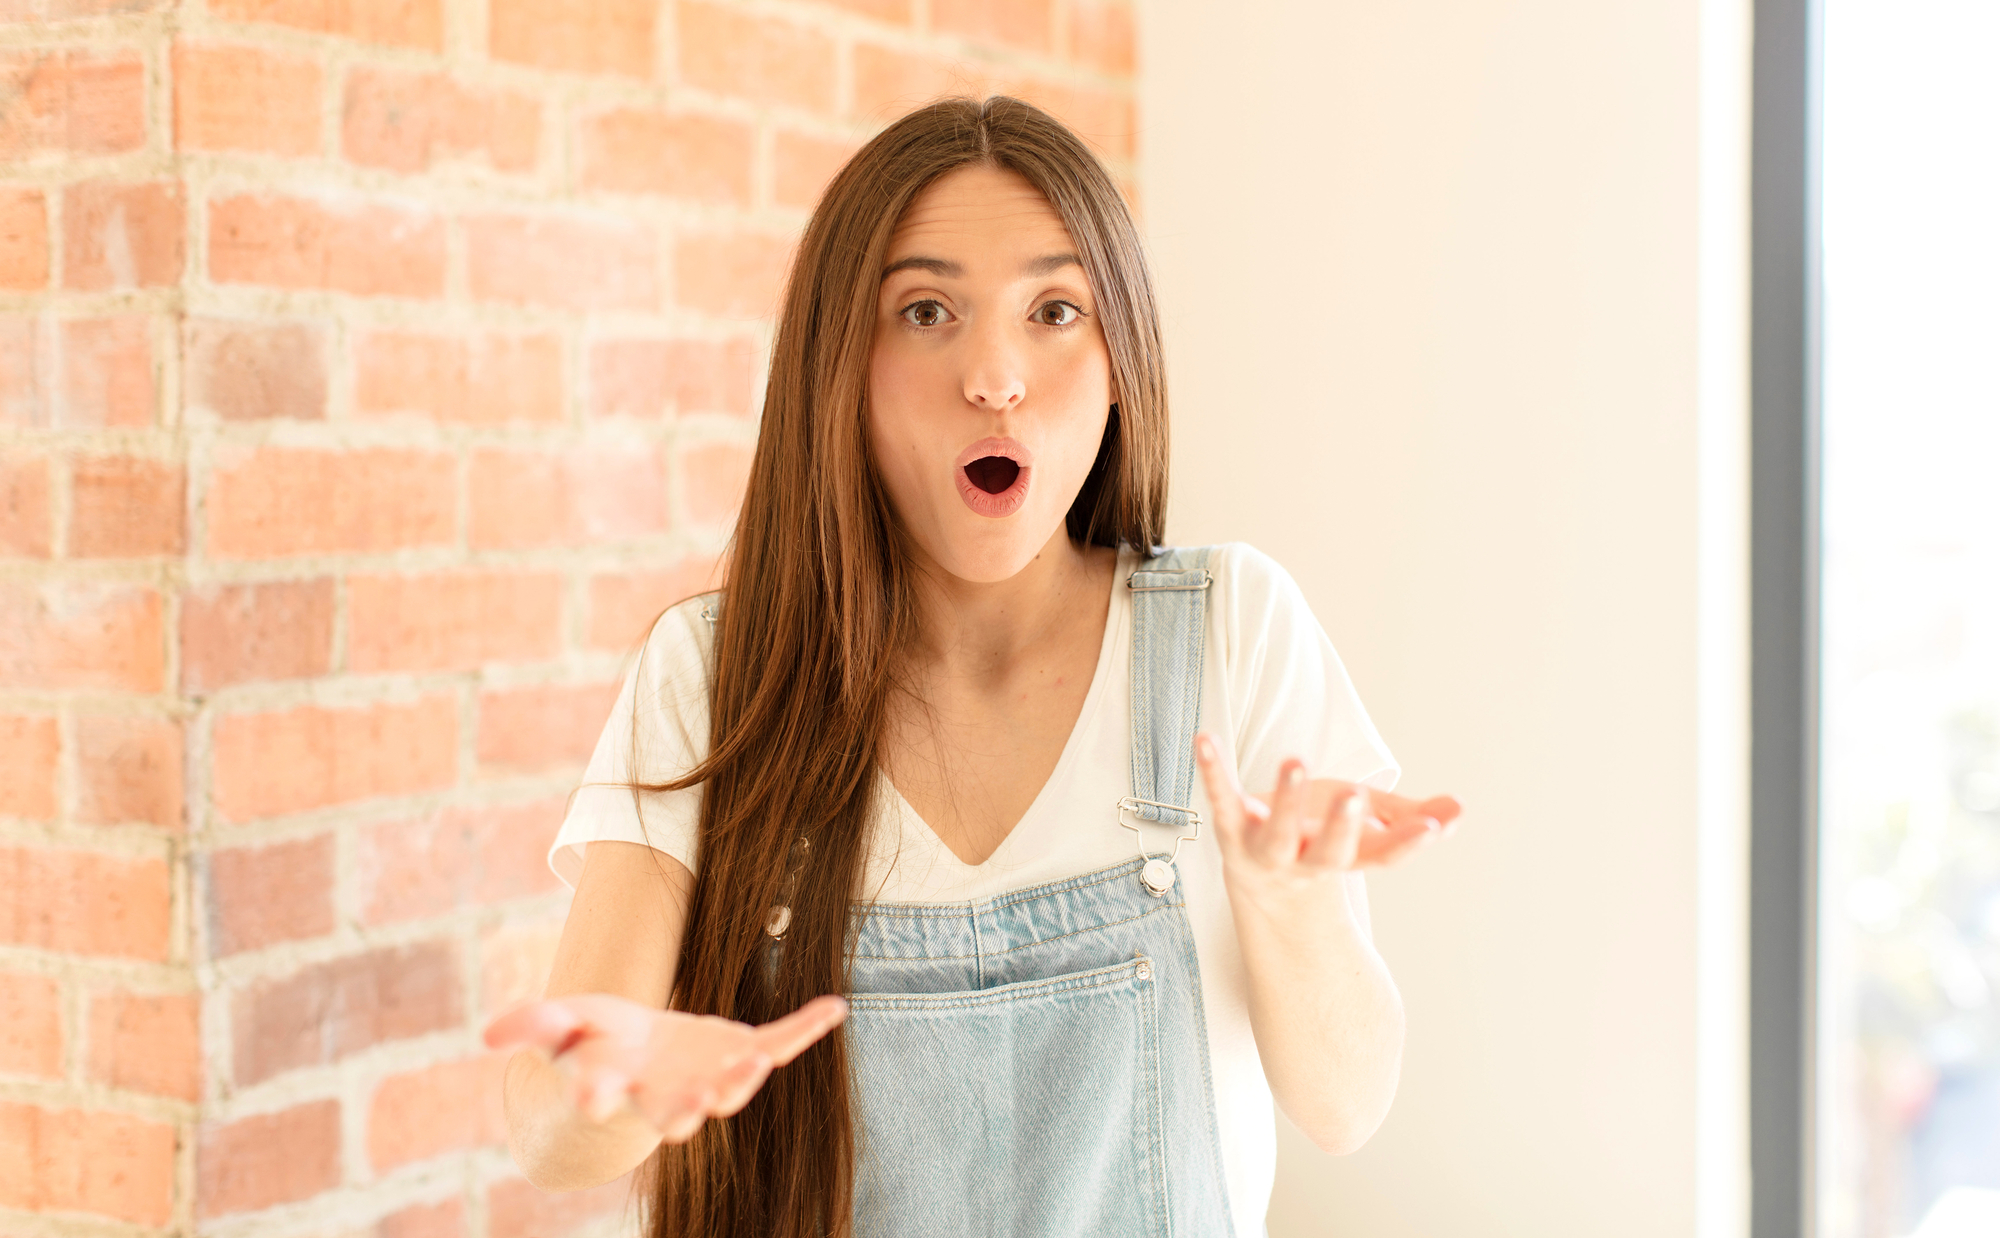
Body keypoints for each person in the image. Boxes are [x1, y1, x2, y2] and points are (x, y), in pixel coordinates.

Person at [484, 95, 1463, 1238]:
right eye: (926, 309)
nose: (993, 375)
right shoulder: (711, 674)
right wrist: (614, 1088)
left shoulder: (1230, 629)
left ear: (1119, 365)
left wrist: (1288, 905)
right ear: (837, 364)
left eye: (1054, 309)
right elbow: (548, 1131)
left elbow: (1344, 1106)